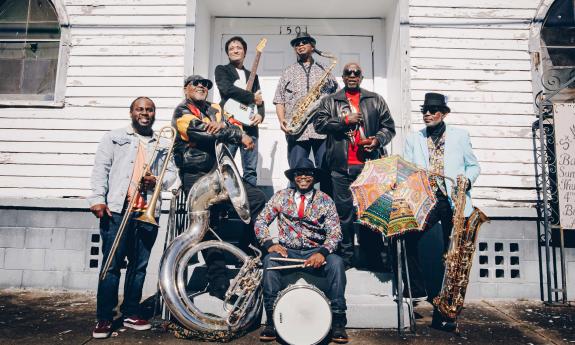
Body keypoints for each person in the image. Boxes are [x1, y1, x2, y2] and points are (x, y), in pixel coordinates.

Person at [88, 97, 177, 339]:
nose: (145, 113)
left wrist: (156, 180)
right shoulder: (114, 137)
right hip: (117, 209)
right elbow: (101, 169)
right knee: (111, 265)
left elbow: (172, 175)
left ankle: (130, 312)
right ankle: (105, 318)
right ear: (131, 112)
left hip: (145, 211)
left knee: (139, 267)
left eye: (149, 110)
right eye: (140, 109)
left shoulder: (163, 142)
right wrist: (97, 199)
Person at [172, 74, 266, 299]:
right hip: (195, 175)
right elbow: (198, 131)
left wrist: (226, 127)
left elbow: (234, 122)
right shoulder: (181, 111)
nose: (202, 87)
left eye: (206, 85)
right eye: (197, 84)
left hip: (217, 172)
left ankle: (245, 250)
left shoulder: (215, 108)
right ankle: (219, 284)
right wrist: (230, 133)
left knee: (255, 198)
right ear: (186, 89)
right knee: (208, 228)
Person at [403, 92, 480, 331]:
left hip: (453, 202)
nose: (427, 114)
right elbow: (406, 169)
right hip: (427, 201)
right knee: (414, 242)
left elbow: (473, 165)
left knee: (454, 258)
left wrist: (466, 180)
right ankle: (421, 290)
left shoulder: (460, 136)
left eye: (433, 110)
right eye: (424, 110)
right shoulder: (414, 138)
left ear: (443, 113)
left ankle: (446, 313)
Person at [255, 157, 349, 344]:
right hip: (287, 252)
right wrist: (269, 244)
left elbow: (335, 233)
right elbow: (260, 221)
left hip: (315, 252)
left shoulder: (325, 200)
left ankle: (338, 321)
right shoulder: (281, 196)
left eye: (308, 173)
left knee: (337, 263)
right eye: (299, 174)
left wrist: (322, 253)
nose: (303, 177)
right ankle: (271, 320)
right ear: (294, 177)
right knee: (269, 261)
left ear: (314, 177)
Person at [314, 62, 396, 269]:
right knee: (344, 215)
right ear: (342, 77)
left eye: (356, 72)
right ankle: (346, 257)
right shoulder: (331, 100)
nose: (352, 75)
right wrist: (344, 120)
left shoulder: (375, 100)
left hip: (369, 168)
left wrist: (377, 140)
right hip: (340, 168)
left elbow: (389, 127)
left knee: (371, 213)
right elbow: (319, 124)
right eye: (348, 72)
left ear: (361, 76)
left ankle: (373, 258)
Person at [273, 32, 337, 191]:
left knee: (325, 171)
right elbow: (279, 99)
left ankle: (325, 207)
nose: (300, 45)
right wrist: (282, 120)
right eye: (297, 43)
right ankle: (296, 210)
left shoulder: (325, 71)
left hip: (321, 129)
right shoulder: (288, 72)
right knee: (296, 171)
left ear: (312, 46)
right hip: (296, 130)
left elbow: (336, 97)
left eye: (304, 42)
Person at [215, 36, 265, 187]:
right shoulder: (222, 70)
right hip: (230, 123)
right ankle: (224, 205)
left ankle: (250, 204)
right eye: (231, 48)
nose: (235, 50)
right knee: (225, 165)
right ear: (227, 53)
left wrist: (260, 114)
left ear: (244, 52)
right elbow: (227, 89)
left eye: (239, 48)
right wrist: (251, 96)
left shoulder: (253, 75)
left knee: (250, 169)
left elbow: (259, 98)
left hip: (250, 125)